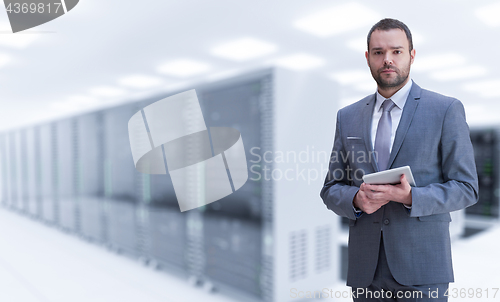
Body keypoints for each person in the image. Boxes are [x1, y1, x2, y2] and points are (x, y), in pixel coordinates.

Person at [320, 18, 478, 302]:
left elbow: (467, 187)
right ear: (368, 58)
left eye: (396, 51)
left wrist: (410, 197)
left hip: (422, 267)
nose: (387, 60)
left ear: (412, 55)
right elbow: (331, 187)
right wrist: (355, 199)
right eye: (378, 52)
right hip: (366, 269)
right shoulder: (348, 116)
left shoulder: (445, 110)